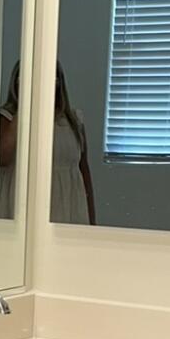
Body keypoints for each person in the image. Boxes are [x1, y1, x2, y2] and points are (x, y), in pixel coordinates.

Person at [51, 60, 96, 225]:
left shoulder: (74, 121)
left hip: (71, 202)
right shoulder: (13, 120)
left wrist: (92, 217)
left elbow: (84, 168)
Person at [0, 61, 20, 217]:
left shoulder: (72, 120)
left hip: (68, 196)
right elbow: (2, 158)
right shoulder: (6, 117)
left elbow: (83, 168)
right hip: (14, 195)